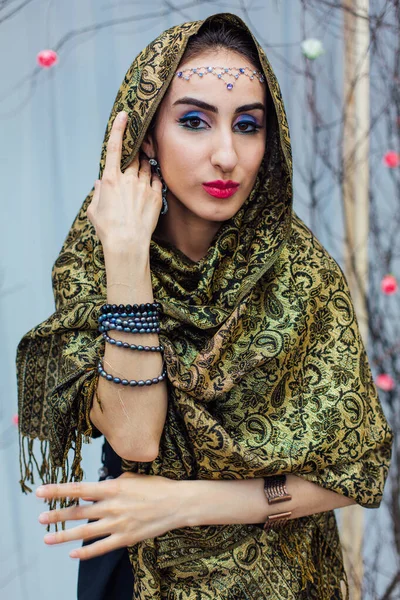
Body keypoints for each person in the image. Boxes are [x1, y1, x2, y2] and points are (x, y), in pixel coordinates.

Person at [15, 11, 393, 600]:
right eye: (194, 121)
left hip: (279, 574)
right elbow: (138, 438)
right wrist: (126, 255)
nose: (226, 155)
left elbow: (355, 471)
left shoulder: (300, 272)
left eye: (248, 125)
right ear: (145, 135)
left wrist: (181, 503)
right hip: (136, 573)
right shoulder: (100, 256)